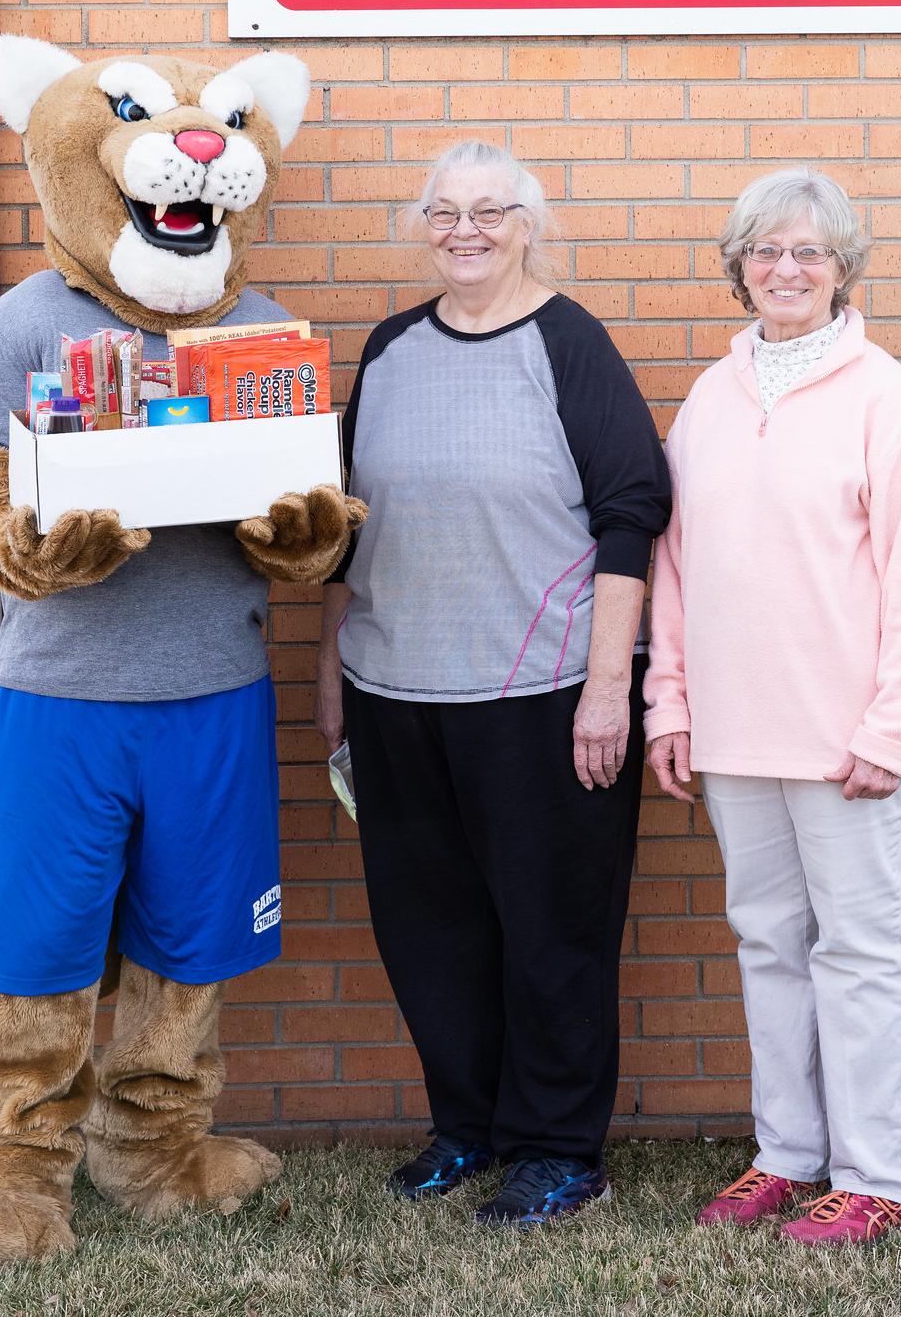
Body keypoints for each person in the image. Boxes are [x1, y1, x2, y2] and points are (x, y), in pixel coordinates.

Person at [314, 140, 670, 1227]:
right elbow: (342, 534)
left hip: (544, 700)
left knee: (551, 933)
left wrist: (609, 686)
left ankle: (558, 1149)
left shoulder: (567, 345)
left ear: (528, 224)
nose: (464, 231)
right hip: (394, 694)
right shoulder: (386, 351)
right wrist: (331, 686)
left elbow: (630, 515)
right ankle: (466, 1128)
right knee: (430, 932)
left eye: (488, 211)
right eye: (443, 213)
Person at [645, 168, 901, 1248]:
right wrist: (667, 705)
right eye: (765, 252)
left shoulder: (885, 397)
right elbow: (675, 567)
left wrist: (891, 726)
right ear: (738, 269)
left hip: (849, 744)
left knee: (859, 951)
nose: (785, 270)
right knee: (767, 944)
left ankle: (874, 1174)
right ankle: (786, 1154)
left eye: (808, 253)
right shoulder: (710, 397)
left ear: (841, 271)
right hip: (735, 737)